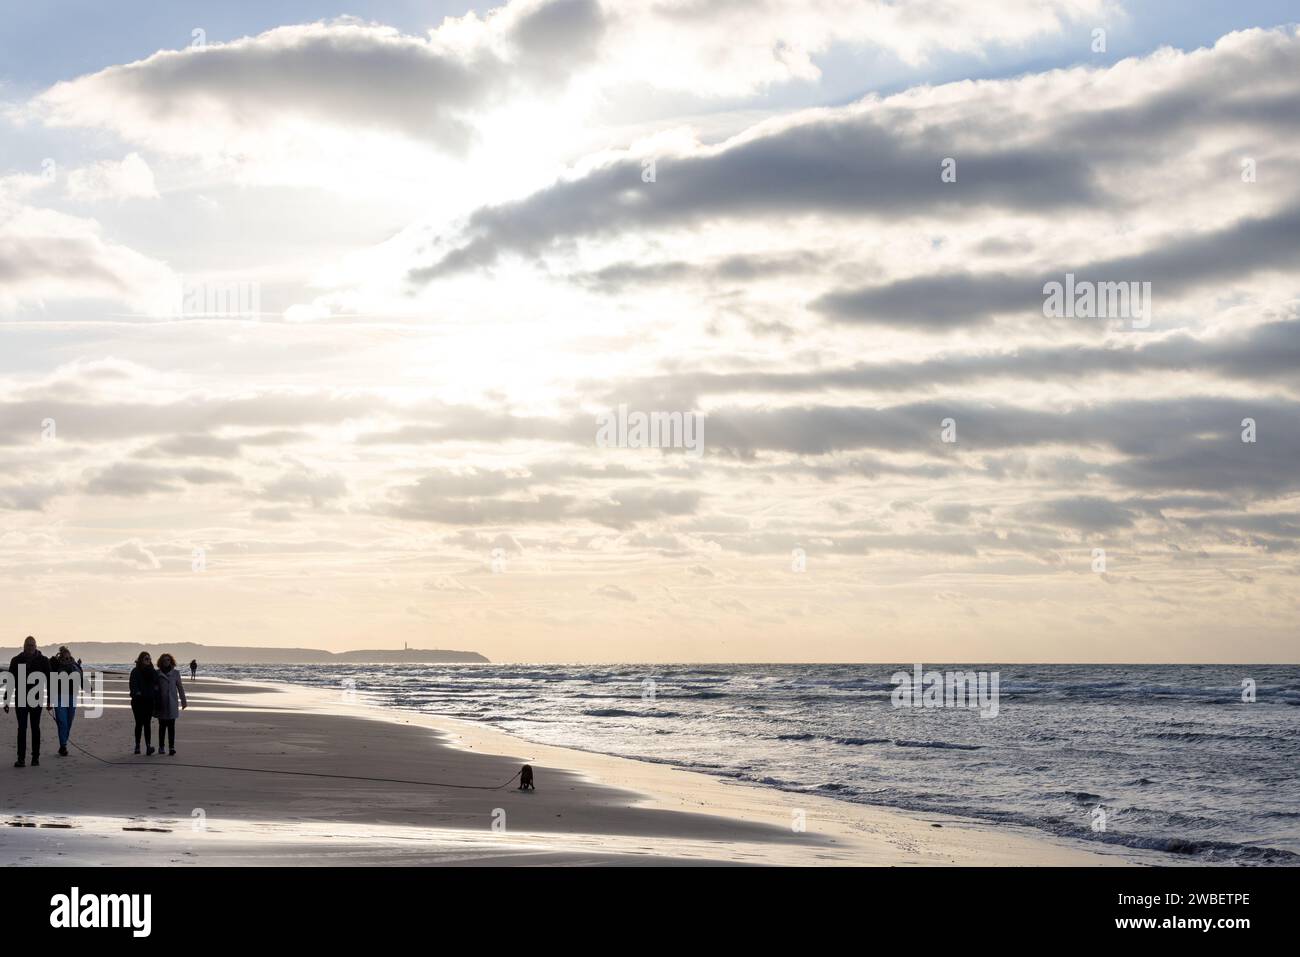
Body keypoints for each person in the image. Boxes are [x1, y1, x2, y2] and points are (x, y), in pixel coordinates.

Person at [4, 636, 50, 767]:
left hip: (36, 699)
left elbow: (50, 681)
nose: (30, 647)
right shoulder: (16, 661)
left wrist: (50, 701)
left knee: (35, 728)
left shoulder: (43, 660)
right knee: (22, 729)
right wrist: (6, 699)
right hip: (21, 699)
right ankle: (21, 759)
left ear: (36, 646)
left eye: (32, 645)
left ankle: (35, 758)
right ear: (24, 646)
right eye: (28, 645)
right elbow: (11, 681)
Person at [49, 646, 83, 757]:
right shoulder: (56, 665)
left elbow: (81, 678)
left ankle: (63, 743)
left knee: (68, 722)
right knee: (62, 722)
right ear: (61, 656)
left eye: (68, 657)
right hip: (59, 696)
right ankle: (63, 745)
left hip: (72, 696)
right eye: (65, 657)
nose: (67, 660)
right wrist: (49, 700)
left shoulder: (75, 666)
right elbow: (51, 682)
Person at [155, 653, 188, 756]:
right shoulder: (157, 673)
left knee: (171, 726)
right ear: (161, 662)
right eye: (164, 660)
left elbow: (180, 687)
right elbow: (154, 688)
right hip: (161, 703)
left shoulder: (176, 673)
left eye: (168, 660)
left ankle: (171, 747)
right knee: (162, 726)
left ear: (171, 661)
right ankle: (161, 747)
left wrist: (183, 701)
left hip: (172, 702)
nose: (166, 662)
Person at [129, 652, 159, 755]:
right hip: (138, 701)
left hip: (149, 701)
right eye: (146, 658)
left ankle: (148, 746)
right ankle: (137, 746)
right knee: (139, 723)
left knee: (147, 723)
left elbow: (156, 684)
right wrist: (137, 692)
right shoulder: (135, 671)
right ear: (141, 659)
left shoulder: (153, 672)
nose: (148, 660)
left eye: (149, 659)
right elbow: (132, 685)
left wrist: (155, 691)